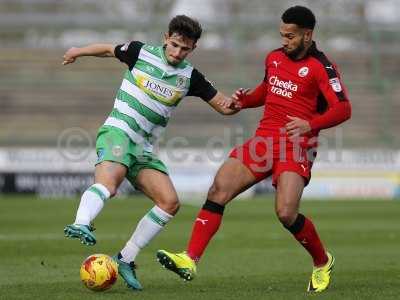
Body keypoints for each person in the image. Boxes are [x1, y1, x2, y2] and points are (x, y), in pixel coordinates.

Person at [157, 6, 351, 293]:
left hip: (297, 145)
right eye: (282, 34)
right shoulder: (273, 58)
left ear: (307, 35)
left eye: (291, 36)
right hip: (264, 141)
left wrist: (310, 124)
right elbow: (267, 89)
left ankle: (322, 262)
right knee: (218, 190)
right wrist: (244, 100)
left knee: (286, 213)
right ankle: (189, 259)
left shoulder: (323, 67)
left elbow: (343, 108)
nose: (285, 40)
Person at [62, 15, 239, 291]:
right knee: (110, 182)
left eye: (185, 49)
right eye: (175, 45)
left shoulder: (190, 76)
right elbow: (108, 49)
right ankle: (81, 222)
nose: (178, 53)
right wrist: (77, 52)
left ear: (193, 49)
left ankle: (125, 258)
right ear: (166, 37)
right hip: (119, 131)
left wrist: (246, 100)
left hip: (143, 149)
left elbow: (223, 106)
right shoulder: (139, 52)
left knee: (169, 202)